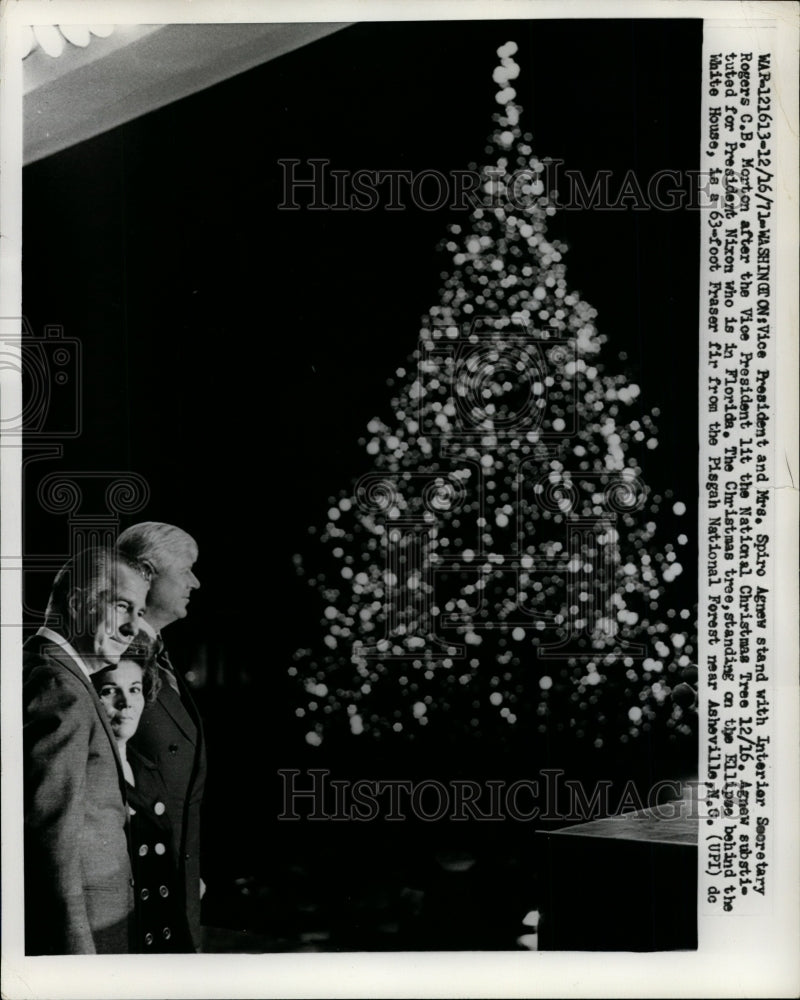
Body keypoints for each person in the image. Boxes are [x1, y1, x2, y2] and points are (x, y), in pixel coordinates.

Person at [23, 546, 149, 954]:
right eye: (122, 606)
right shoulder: (59, 687)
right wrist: (76, 953)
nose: (133, 628)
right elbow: (51, 839)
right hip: (87, 934)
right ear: (78, 605)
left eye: (140, 612)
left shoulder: (47, 669)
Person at [116, 522, 206, 951]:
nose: (195, 582)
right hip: (142, 889)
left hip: (173, 876)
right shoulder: (116, 661)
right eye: (186, 570)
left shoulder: (155, 653)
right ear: (148, 574)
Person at [92, 645, 194, 952]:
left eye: (135, 689)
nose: (127, 704)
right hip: (123, 932)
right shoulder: (90, 774)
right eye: (111, 691)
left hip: (163, 925)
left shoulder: (146, 766)